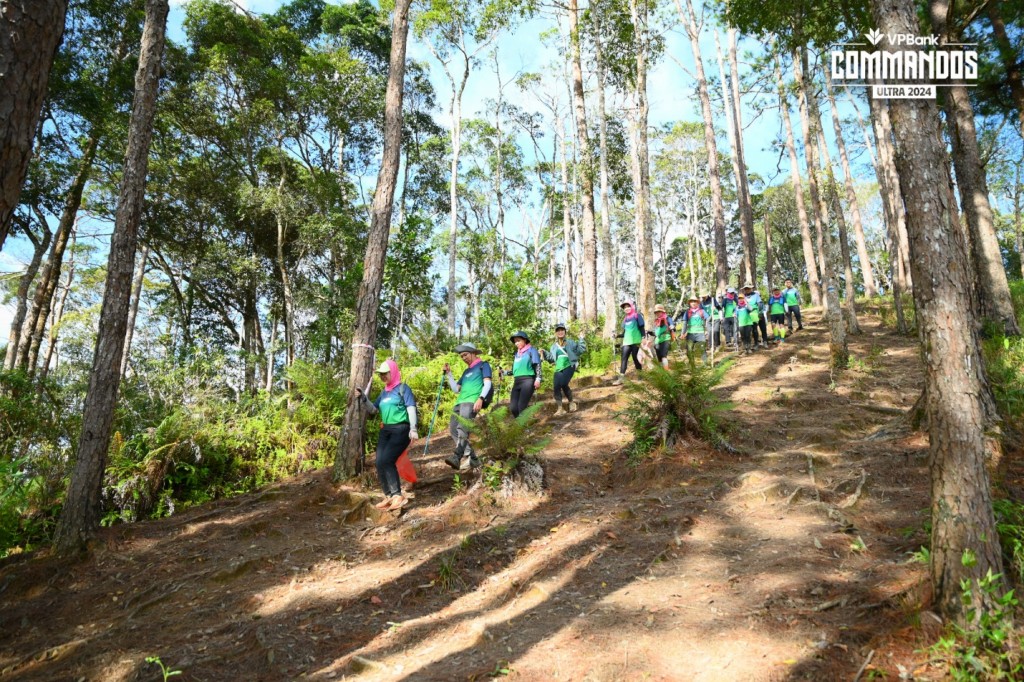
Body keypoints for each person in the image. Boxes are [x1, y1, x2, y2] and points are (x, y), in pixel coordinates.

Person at [355, 359, 418, 511]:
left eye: (385, 373)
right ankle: (389, 495)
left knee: (388, 459)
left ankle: (397, 495)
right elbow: (374, 410)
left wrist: (413, 428)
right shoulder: (384, 392)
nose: (383, 376)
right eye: (381, 374)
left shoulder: (403, 389)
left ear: (393, 372)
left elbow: (411, 408)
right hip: (386, 430)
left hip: (401, 429)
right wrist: (364, 398)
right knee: (379, 462)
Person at [443, 343, 492, 470]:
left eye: (465, 354)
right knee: (453, 429)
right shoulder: (466, 371)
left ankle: (457, 456)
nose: (463, 358)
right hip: (459, 402)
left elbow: (487, 383)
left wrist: (480, 398)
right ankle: (474, 459)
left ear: (474, 353)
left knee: (462, 428)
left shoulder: (483, 365)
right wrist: (449, 374)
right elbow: (456, 389)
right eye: (461, 356)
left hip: (471, 401)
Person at [542, 323, 587, 415]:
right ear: (556, 333)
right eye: (558, 330)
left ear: (565, 332)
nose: (560, 332)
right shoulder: (553, 346)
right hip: (558, 367)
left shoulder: (570, 342)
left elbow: (580, 350)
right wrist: (544, 352)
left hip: (569, 365)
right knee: (556, 387)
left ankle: (571, 403)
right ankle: (560, 408)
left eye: (562, 330)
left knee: (563, 383)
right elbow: (551, 358)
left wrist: (581, 339)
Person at [508, 331, 542, 417]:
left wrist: (538, 379)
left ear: (525, 340)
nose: (516, 343)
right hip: (517, 382)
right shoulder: (516, 354)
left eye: (518, 340)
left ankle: (523, 427)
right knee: (513, 407)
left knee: (521, 407)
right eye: (515, 341)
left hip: (528, 381)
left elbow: (537, 365)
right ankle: (519, 426)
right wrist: (504, 372)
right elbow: (514, 370)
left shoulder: (532, 350)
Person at [613, 300, 645, 384]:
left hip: (636, 341)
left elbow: (642, 327)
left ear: (631, 306)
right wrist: (617, 335)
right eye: (625, 307)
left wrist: (643, 337)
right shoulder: (625, 319)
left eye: (628, 306)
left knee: (636, 358)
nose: (626, 308)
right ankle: (621, 378)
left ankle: (641, 377)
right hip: (626, 342)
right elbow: (625, 333)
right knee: (624, 359)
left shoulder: (637, 316)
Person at [679, 295, 709, 363]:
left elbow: (708, 319)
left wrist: (707, 330)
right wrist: (682, 334)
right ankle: (692, 366)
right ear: (689, 303)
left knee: (702, 349)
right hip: (690, 334)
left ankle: (705, 365)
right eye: (692, 301)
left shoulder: (702, 311)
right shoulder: (687, 312)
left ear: (698, 303)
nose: (693, 303)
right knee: (689, 350)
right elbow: (684, 323)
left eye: (695, 301)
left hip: (700, 333)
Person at [743, 283, 768, 349]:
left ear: (751, 288)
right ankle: (756, 343)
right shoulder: (743, 297)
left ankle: (765, 341)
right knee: (754, 330)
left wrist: (760, 312)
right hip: (750, 315)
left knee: (763, 328)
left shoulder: (756, 295)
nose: (747, 290)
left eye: (748, 288)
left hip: (758, 313)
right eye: (746, 288)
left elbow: (760, 304)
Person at [652, 304, 675, 368]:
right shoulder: (656, 321)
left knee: (663, 356)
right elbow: (655, 332)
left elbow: (672, 325)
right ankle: (662, 373)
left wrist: (672, 327)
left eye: (659, 311)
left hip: (666, 338)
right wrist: (650, 332)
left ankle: (666, 371)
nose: (658, 313)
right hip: (657, 341)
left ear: (663, 311)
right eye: (656, 312)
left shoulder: (668, 318)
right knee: (659, 358)